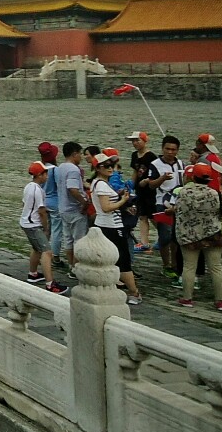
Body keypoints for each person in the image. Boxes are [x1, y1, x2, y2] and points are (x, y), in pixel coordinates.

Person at [174, 163, 222, 311]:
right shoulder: (214, 193)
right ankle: (221, 300)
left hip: (189, 234)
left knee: (189, 267)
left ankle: (187, 298)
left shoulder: (184, 192)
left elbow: (179, 210)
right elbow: (220, 212)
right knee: (216, 267)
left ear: (193, 176)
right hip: (212, 233)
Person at [90, 155, 142, 305]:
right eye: (106, 166)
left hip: (106, 225)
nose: (110, 168)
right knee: (123, 261)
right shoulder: (101, 185)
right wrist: (123, 201)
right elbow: (106, 208)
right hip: (111, 226)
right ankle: (134, 292)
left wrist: (121, 202)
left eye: (111, 165)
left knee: (107, 260)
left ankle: (109, 288)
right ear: (98, 168)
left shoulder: (99, 183)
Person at [22, 161, 68, 294]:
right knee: (47, 252)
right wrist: (45, 227)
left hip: (26, 222)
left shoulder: (29, 186)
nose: (47, 176)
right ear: (39, 175)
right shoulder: (38, 190)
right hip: (33, 225)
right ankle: (50, 284)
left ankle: (33, 273)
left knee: (37, 248)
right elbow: (42, 211)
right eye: (45, 174)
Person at [142, 135, 183, 280]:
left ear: (177, 150)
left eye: (173, 149)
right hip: (162, 202)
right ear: (162, 148)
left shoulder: (180, 164)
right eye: (167, 149)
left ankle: (176, 264)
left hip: (178, 202)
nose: (170, 152)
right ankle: (166, 265)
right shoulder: (155, 164)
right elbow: (151, 185)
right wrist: (163, 178)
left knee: (176, 237)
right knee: (165, 236)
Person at [54, 142, 88, 274]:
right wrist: (83, 202)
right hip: (74, 209)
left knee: (68, 239)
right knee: (79, 240)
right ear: (74, 154)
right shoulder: (73, 169)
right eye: (80, 154)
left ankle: (71, 266)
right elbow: (72, 189)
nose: (81, 157)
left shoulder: (60, 168)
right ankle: (76, 268)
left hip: (63, 207)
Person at [128, 131, 158, 251]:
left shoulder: (151, 157)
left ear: (144, 141)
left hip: (150, 190)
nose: (135, 143)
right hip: (139, 189)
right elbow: (135, 171)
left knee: (152, 215)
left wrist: (147, 181)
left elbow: (156, 173)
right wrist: (131, 185)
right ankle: (144, 242)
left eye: (137, 140)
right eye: (133, 141)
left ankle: (164, 235)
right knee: (142, 215)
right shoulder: (134, 155)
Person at [37, 142, 65, 268]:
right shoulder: (55, 170)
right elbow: (60, 186)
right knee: (56, 230)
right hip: (54, 201)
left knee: (45, 229)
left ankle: (41, 253)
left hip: (43, 201)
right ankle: (55, 256)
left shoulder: (40, 168)